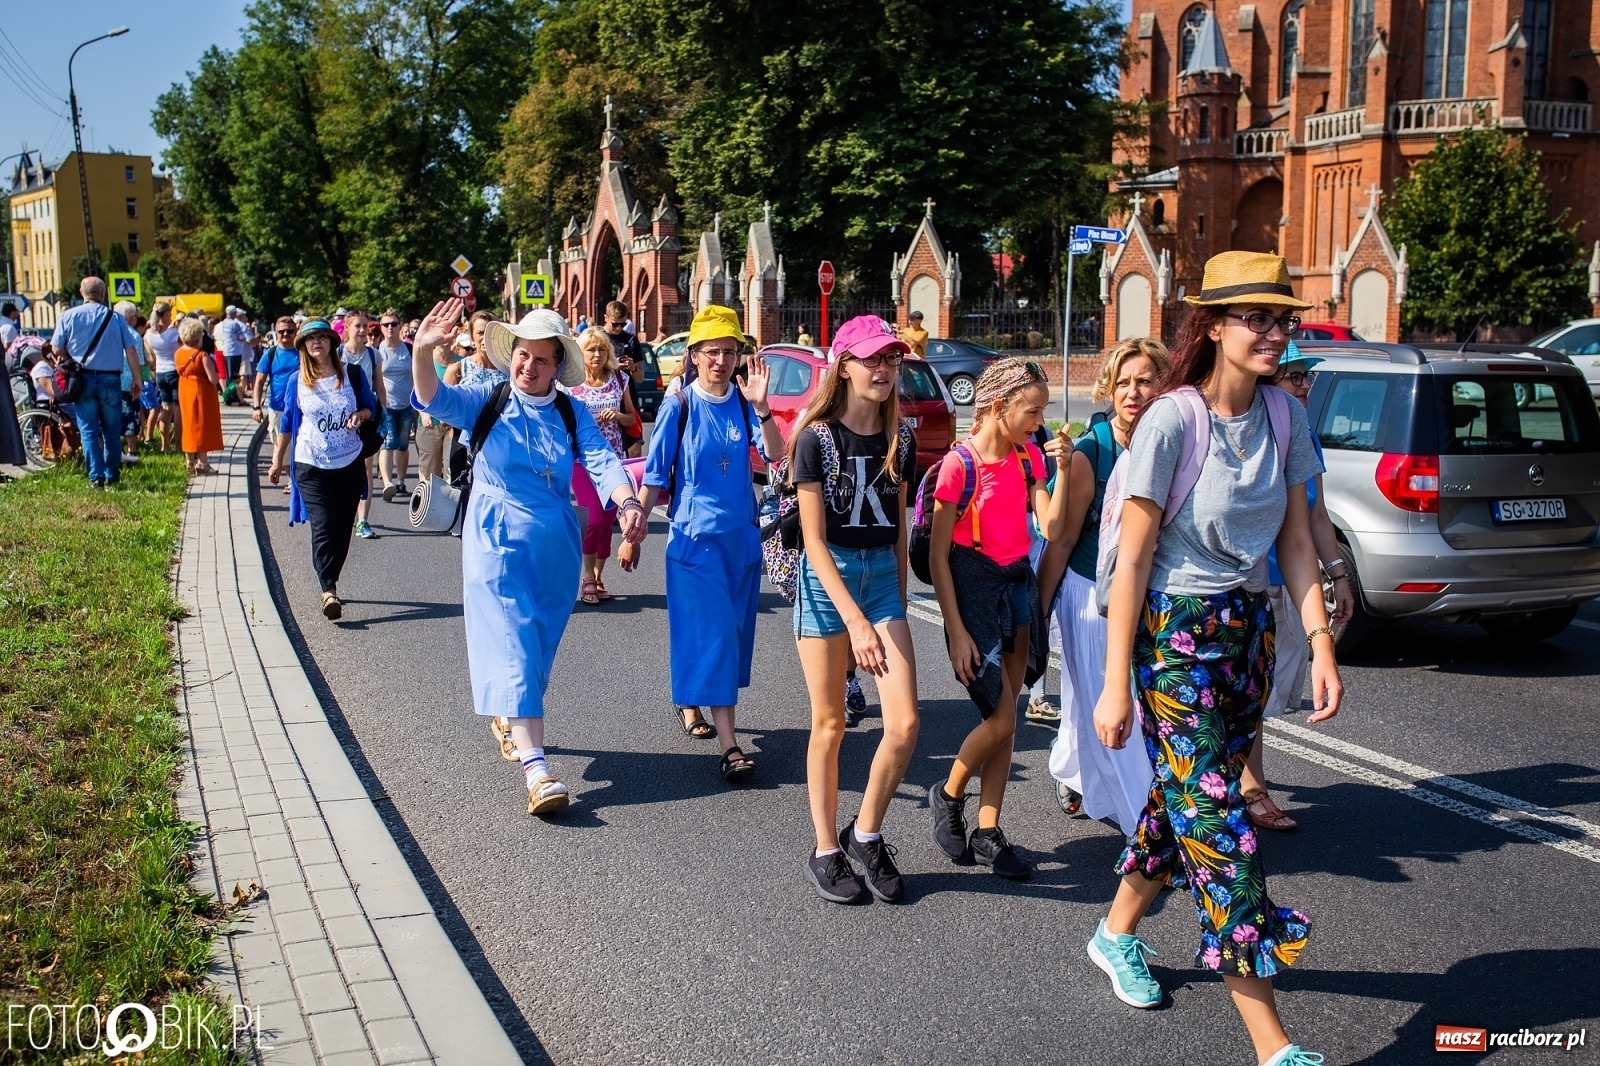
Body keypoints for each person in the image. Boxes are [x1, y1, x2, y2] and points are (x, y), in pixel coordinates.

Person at [1087, 252, 1342, 1066]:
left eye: (1283, 319)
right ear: (1216, 327)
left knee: (1186, 801)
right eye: (1258, 319)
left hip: (1247, 634)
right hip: (1174, 637)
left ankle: (1115, 931)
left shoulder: (1284, 416)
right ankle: (1273, 1046)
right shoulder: (1172, 420)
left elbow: (1298, 542)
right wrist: (1114, 686)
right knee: (1221, 832)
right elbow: (1131, 560)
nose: (1276, 333)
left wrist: (1322, 642)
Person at [411, 298, 645, 813]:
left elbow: (603, 458)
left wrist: (627, 501)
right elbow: (432, 398)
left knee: (536, 644)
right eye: (522, 355)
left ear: (558, 366)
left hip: (556, 541)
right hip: (496, 537)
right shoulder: (486, 399)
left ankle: (509, 713)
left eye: (542, 360)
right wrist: (424, 353)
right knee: (515, 634)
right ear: (509, 354)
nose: (528, 367)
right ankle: (536, 769)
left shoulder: (570, 409)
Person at [789, 315, 921, 905]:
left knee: (906, 724)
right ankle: (825, 848)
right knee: (831, 724)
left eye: (891, 359)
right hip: (829, 580)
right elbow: (813, 540)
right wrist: (857, 620)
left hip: (881, 583)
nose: (884, 369)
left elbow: (899, 529)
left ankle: (865, 832)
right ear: (842, 364)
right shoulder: (814, 439)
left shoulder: (904, 437)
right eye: (872, 358)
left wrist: (896, 599)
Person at [926, 358, 1069, 881]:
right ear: (996, 407)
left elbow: (1050, 524)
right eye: (1031, 411)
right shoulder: (958, 467)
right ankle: (947, 794)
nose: (1039, 421)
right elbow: (940, 558)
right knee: (1003, 718)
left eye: (1041, 411)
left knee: (1002, 725)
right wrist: (956, 630)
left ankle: (987, 831)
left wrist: (1066, 467)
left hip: (1016, 592)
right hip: (975, 600)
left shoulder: (1030, 456)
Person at [639, 306, 784, 782]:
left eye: (730, 351)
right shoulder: (679, 405)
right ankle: (730, 745)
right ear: (694, 355)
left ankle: (688, 698)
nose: (721, 360)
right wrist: (634, 523)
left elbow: (776, 456)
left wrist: (763, 408)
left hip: (740, 541)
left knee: (730, 637)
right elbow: (656, 472)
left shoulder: (744, 403)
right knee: (716, 634)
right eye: (712, 352)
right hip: (694, 542)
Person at [1035, 339, 1167, 831]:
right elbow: (1062, 539)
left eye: (1145, 381)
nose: (1132, 393)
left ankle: (1071, 767)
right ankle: (1143, 823)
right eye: (1123, 382)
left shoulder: (1169, 438)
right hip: (1091, 594)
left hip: (1149, 593)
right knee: (1110, 701)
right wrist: (1039, 608)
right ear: (1108, 388)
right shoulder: (1094, 451)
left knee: (1092, 695)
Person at [1239, 343, 1354, 831]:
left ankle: (1235, 779)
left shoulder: (1303, 433)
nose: (1306, 386)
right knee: (1250, 691)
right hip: (1249, 584)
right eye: (1296, 377)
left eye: (1307, 377)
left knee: (1266, 694)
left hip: (1293, 583)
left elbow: (1316, 515)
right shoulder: (1249, 435)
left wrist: (1339, 574)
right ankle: (1250, 787)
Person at [266, 319, 380, 620]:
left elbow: (371, 408)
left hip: (349, 461)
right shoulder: (297, 381)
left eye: (321, 337)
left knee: (343, 528)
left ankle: (331, 578)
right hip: (311, 464)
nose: (316, 342)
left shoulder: (352, 374)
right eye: (310, 339)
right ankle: (328, 589)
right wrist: (278, 459)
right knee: (324, 523)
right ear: (303, 347)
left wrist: (360, 415)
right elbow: (289, 422)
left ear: (331, 342)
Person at [50, 277, 142, 487]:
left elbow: (56, 349)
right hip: (110, 379)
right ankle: (112, 475)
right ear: (103, 294)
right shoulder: (116, 319)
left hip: (81, 380)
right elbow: (130, 350)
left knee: (88, 429)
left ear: (81, 293)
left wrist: (70, 359)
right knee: (111, 429)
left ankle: (96, 477)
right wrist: (137, 379)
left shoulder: (68, 316)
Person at [570, 328, 640, 603]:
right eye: (590, 349)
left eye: (601, 349)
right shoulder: (570, 385)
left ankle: (598, 577)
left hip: (614, 460)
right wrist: (586, 423)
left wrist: (617, 415)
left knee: (608, 521)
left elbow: (631, 419)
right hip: (582, 462)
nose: (597, 355)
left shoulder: (619, 379)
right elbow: (564, 422)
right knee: (593, 521)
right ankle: (587, 575)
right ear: (581, 353)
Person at [340, 310, 387, 538]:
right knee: (342, 467)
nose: (361, 330)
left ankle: (363, 521)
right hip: (340, 419)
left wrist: (383, 415)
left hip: (366, 416)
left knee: (366, 468)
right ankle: (344, 514)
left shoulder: (373, 355)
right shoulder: (338, 354)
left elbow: (379, 386)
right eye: (357, 326)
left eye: (365, 326)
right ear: (347, 328)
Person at [374, 309, 417, 501]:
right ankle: (387, 483)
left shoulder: (409, 349)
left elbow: (418, 376)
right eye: (386, 325)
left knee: (402, 445)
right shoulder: (377, 351)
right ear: (381, 328)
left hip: (406, 405)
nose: (390, 327)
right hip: (386, 406)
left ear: (400, 327)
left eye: (393, 324)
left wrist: (419, 404)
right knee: (387, 444)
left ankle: (400, 481)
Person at [175, 317, 224, 475]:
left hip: (185, 391)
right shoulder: (202, 356)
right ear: (197, 337)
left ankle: (189, 460)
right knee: (202, 426)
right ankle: (203, 463)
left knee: (189, 425)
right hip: (201, 394)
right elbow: (213, 379)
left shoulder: (178, 353)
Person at [414, 333, 460, 485]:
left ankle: (449, 507)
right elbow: (418, 391)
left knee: (451, 470)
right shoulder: (426, 360)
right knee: (429, 474)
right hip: (430, 423)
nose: (445, 339)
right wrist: (425, 414)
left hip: (453, 426)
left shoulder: (461, 362)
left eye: (449, 335)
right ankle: (427, 506)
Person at [252, 316, 302, 449]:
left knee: (296, 451)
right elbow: (259, 382)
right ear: (276, 332)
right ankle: (285, 470)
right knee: (281, 450)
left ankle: (287, 470)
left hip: (301, 408)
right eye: (281, 331)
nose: (285, 334)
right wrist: (256, 407)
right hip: (278, 408)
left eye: (289, 331)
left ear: (295, 331)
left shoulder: (302, 353)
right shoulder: (271, 354)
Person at [145, 302, 182, 454]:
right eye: (170, 313)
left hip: (160, 373)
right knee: (178, 410)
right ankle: (179, 445)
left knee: (166, 409)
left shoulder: (149, 334)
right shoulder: (174, 333)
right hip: (174, 371)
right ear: (165, 314)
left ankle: (164, 445)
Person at [114, 301, 145, 465]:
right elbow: (138, 361)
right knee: (130, 416)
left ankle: (115, 450)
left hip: (112, 380)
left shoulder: (111, 332)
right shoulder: (134, 335)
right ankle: (131, 449)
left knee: (113, 417)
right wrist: (138, 380)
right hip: (129, 381)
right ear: (131, 318)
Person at [215, 306, 255, 387]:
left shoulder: (223, 323)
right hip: (235, 352)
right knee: (235, 376)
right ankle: (233, 394)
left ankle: (230, 394)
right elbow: (242, 338)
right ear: (234, 313)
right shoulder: (234, 324)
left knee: (228, 375)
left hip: (226, 351)